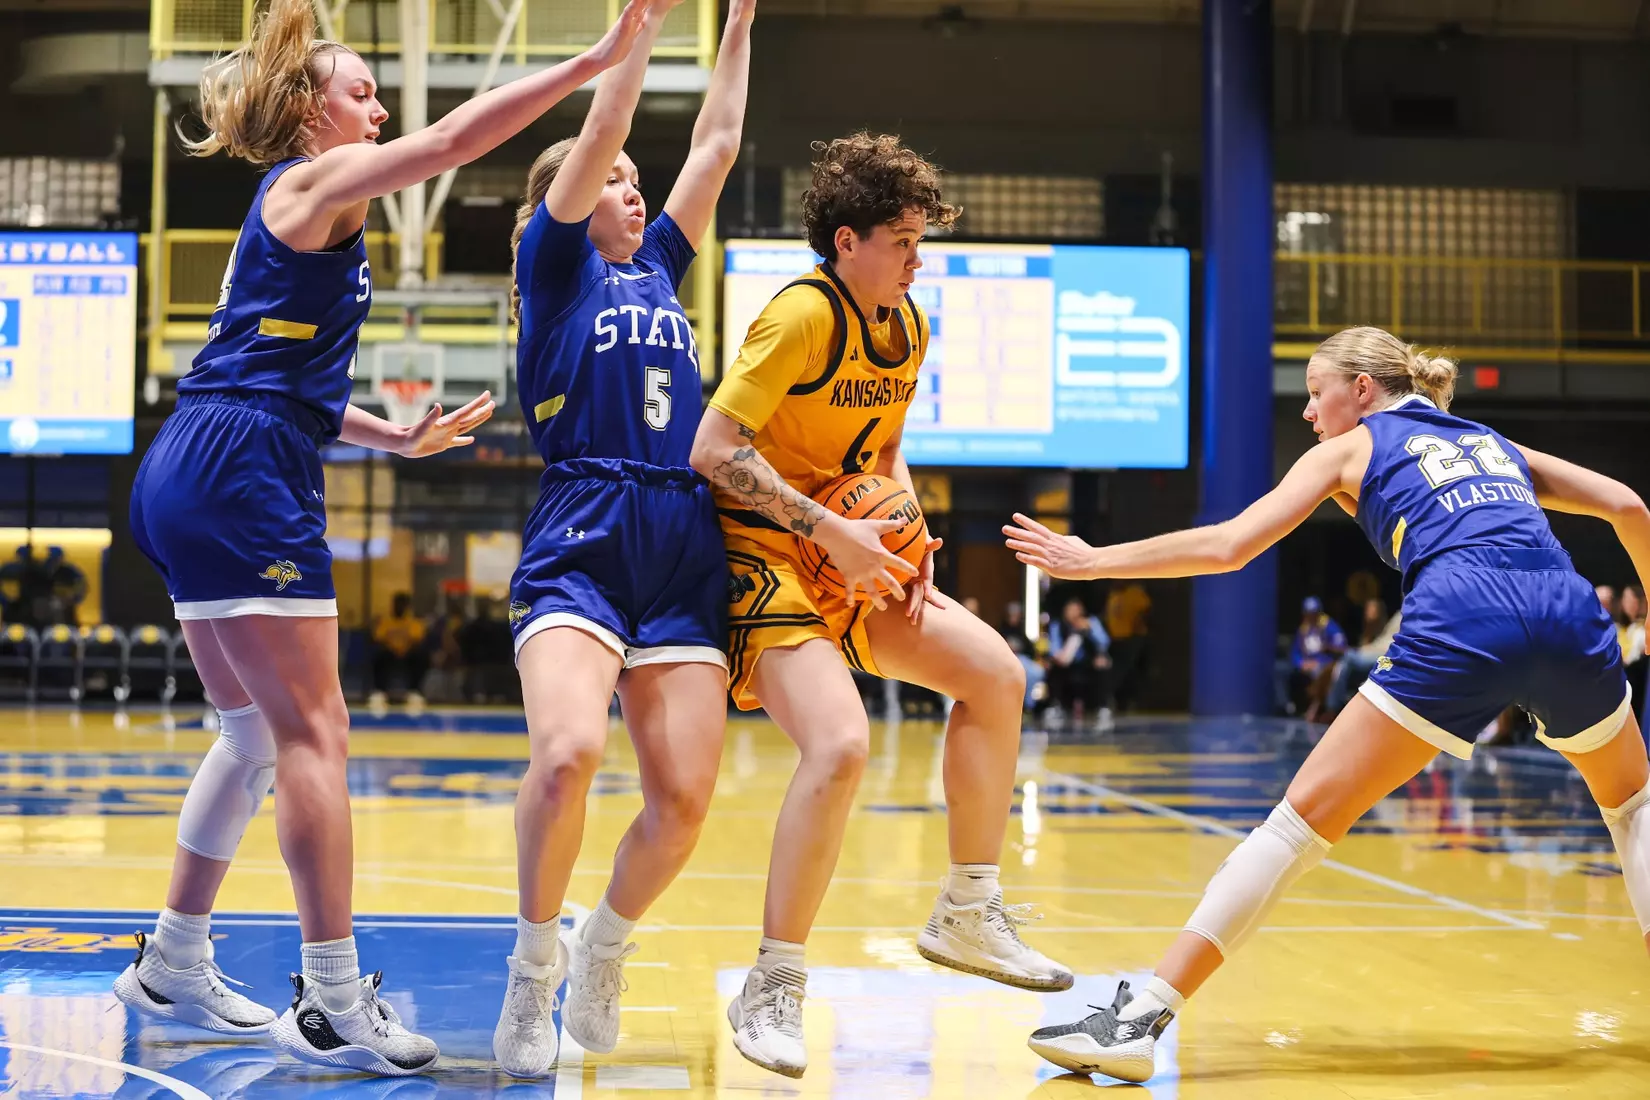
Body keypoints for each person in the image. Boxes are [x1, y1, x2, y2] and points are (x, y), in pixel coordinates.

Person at [114, 0, 649, 1075]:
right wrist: (591, 61)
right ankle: (328, 998)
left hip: (198, 457)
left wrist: (388, 434)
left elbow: (273, 373)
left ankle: (173, 957)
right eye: (363, 93)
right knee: (316, 731)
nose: (383, 108)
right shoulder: (313, 182)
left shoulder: (297, 201)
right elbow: (454, 142)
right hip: (242, 470)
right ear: (313, 111)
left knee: (255, 732)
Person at [1006, 325, 1650, 1084]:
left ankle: (1139, 1019)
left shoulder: (1352, 447)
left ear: (1364, 392)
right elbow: (1629, 506)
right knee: (1635, 807)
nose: (1310, 413)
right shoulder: (1488, 440)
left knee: (1294, 827)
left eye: (1317, 393)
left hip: (1465, 610)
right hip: (1568, 608)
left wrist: (1093, 562)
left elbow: (1230, 546)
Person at [690, 131, 1070, 1080]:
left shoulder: (906, 326)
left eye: (921, 240)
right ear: (848, 241)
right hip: (763, 553)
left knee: (996, 676)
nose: (917, 258)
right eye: (902, 240)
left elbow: (882, 451)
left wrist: (908, 531)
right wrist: (832, 529)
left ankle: (967, 911)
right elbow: (713, 450)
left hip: (852, 553)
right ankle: (772, 982)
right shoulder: (799, 319)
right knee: (843, 742)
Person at [495, 0, 752, 1077]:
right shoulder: (552, 272)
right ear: (564, 197)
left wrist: (739, 18)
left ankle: (605, 941)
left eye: (638, 180)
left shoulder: (660, 267)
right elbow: (599, 134)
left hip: (682, 535)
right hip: (584, 522)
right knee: (565, 755)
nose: (633, 185)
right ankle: (533, 962)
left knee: (685, 799)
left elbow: (721, 141)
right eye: (615, 178)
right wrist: (631, 43)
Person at [1046, 597, 1112, 728]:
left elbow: (1104, 642)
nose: (1073, 613)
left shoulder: (1091, 622)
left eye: (1076, 610)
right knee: (1052, 670)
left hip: (1087, 662)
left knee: (1102, 667)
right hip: (1066, 663)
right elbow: (1053, 648)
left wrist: (1091, 629)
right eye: (1070, 610)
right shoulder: (1057, 625)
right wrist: (1058, 656)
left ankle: (1103, 708)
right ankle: (1055, 706)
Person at [370, 592, 428, 705]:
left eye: (402, 604)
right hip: (390, 653)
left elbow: (417, 641)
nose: (399, 607)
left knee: (421, 657)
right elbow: (379, 640)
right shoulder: (385, 622)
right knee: (379, 656)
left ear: (407, 607)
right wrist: (393, 650)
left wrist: (404, 651)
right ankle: (379, 691)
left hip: (408, 654)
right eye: (397, 604)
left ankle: (414, 691)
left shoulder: (414, 623)